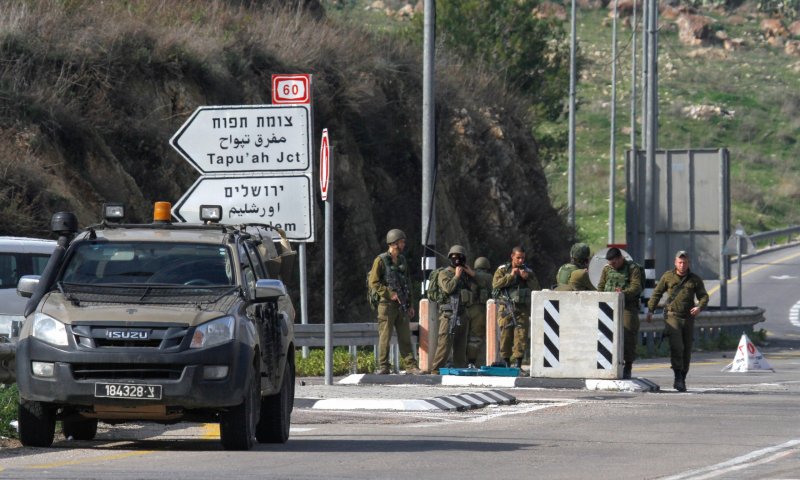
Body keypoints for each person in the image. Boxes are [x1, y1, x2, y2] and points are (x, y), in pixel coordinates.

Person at [646, 250, 709, 392]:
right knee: (677, 347)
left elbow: (704, 296)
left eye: (685, 262)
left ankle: (682, 377)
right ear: (675, 263)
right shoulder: (668, 276)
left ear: (688, 263)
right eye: (680, 262)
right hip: (672, 316)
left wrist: (699, 307)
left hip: (688, 318)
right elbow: (657, 293)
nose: (682, 265)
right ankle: (677, 376)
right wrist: (650, 310)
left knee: (686, 350)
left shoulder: (694, 279)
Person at [368, 229, 420, 375]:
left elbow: (407, 283)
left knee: (405, 336)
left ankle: (411, 366)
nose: (403, 244)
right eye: (402, 242)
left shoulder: (402, 260)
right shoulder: (381, 260)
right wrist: (389, 293)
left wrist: (410, 304)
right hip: (387, 305)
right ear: (395, 243)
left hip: (401, 304)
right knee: (385, 336)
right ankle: (383, 366)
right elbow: (374, 282)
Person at [597, 247, 644, 379]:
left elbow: (636, 287)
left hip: (627, 307)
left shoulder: (632, 268)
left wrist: (623, 293)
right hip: (608, 307)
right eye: (610, 263)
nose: (612, 265)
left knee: (628, 334)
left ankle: (628, 365)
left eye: (614, 263)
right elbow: (601, 286)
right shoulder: (607, 269)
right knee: (605, 335)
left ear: (620, 259)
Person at [492, 246, 541, 369]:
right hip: (506, 308)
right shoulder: (503, 270)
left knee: (521, 336)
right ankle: (506, 362)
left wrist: (527, 278)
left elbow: (537, 288)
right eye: (518, 258)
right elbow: (495, 285)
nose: (520, 261)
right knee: (505, 336)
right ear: (512, 256)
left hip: (522, 308)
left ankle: (518, 364)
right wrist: (510, 276)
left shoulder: (528, 271)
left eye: (523, 258)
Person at [430, 245, 475, 373]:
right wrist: (456, 276)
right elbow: (448, 288)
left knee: (461, 346)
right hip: (449, 315)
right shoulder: (444, 273)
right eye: (453, 257)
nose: (456, 259)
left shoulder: (465, 275)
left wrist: (471, 273)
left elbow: (479, 286)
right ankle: (435, 369)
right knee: (444, 344)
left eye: (459, 257)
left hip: (462, 314)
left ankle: (460, 369)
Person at [466, 256, 493, 367]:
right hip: (480, 310)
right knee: (475, 338)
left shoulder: (469, 274)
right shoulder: (488, 276)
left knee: (465, 337)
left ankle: (464, 360)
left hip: (467, 308)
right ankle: (472, 361)